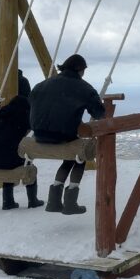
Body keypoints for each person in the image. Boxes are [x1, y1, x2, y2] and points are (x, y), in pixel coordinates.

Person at [29, 53, 106, 215]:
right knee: (80, 157)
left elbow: (33, 103)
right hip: (62, 136)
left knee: (71, 156)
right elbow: (99, 113)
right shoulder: (83, 87)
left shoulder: (41, 85)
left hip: (39, 135)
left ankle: (54, 201)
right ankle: (70, 202)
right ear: (80, 70)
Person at [0, 79, 44, 210]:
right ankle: (33, 200)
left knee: (7, 158)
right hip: (11, 159)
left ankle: (8, 201)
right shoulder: (26, 115)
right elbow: (39, 128)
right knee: (29, 165)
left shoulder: (1, 113)